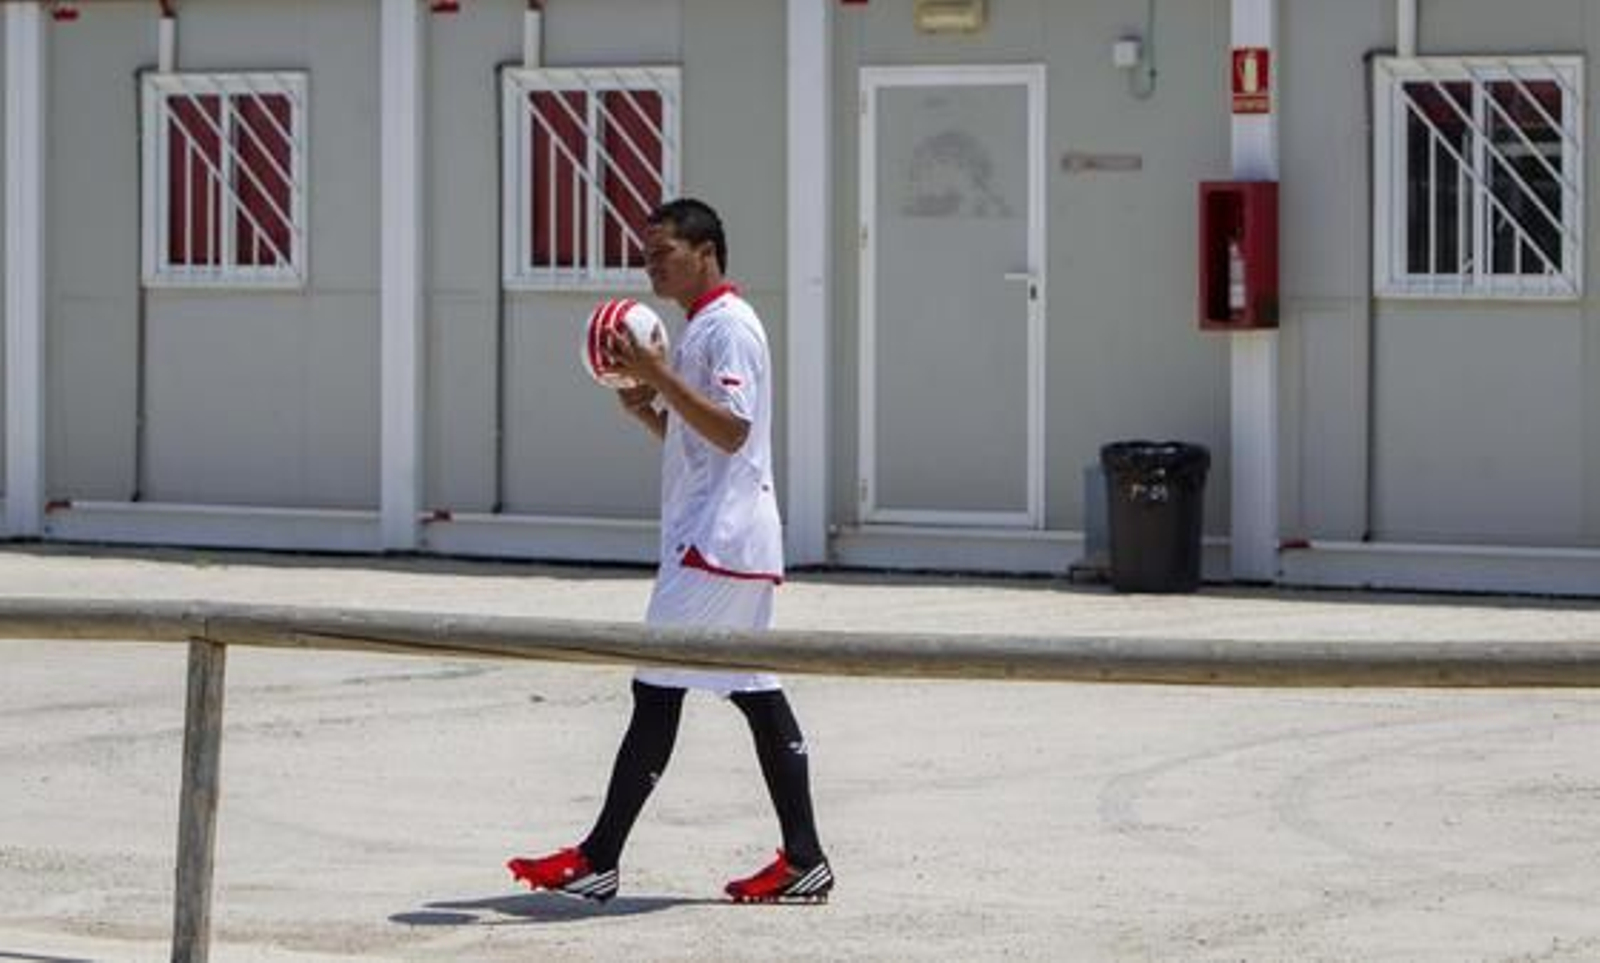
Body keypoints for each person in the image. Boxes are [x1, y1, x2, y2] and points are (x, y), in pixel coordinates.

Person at [507, 198, 833, 905]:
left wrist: (657, 378)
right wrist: (648, 410)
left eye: (664, 253)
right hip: (726, 538)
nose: (651, 265)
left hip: (718, 545)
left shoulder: (729, 328)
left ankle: (598, 858)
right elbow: (701, 446)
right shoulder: (700, 331)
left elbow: (735, 432)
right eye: (646, 255)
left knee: (655, 690)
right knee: (754, 692)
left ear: (706, 252)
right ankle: (805, 858)